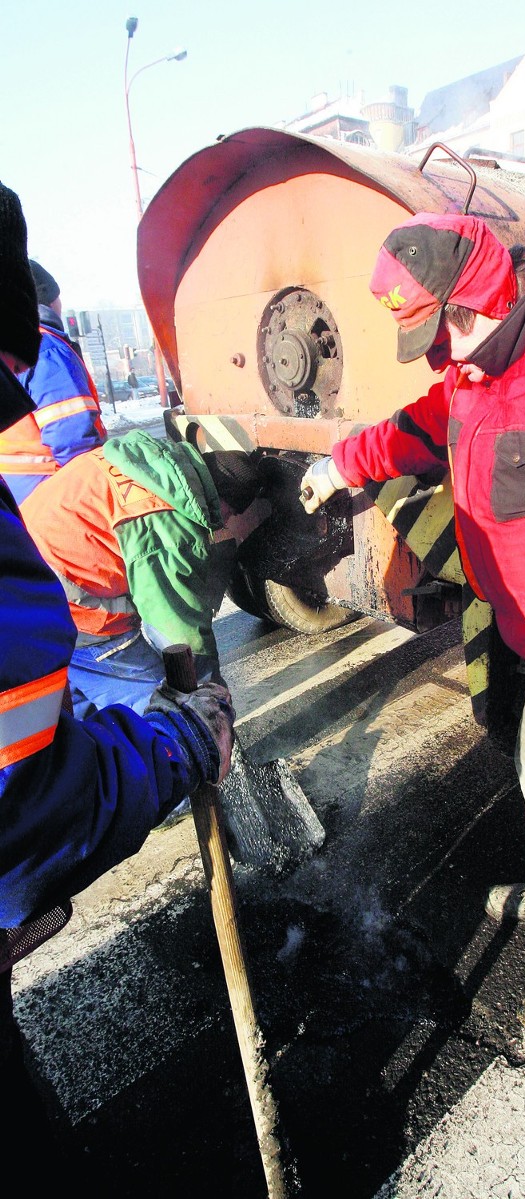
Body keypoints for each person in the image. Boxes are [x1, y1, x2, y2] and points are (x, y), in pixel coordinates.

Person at [300, 210, 525, 1038]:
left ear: (479, 290)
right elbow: (425, 427)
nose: (447, 350)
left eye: (453, 325)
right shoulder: (474, 359)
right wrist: (340, 463)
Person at [0, 178, 235, 1154]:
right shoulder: (166, 500)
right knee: (137, 712)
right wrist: (191, 723)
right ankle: (212, 819)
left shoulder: (140, 469)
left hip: (60, 594)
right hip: (71, 610)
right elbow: (27, 796)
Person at [19, 427, 230, 720]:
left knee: (83, 720)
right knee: (166, 710)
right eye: (231, 518)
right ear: (225, 504)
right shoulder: (166, 527)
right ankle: (186, 760)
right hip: (69, 610)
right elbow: (178, 630)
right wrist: (211, 702)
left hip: (24, 584)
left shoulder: (149, 464)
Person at [0, 257, 106, 505]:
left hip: (18, 493)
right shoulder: (45, 348)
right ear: (49, 300)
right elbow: (73, 438)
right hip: (55, 492)